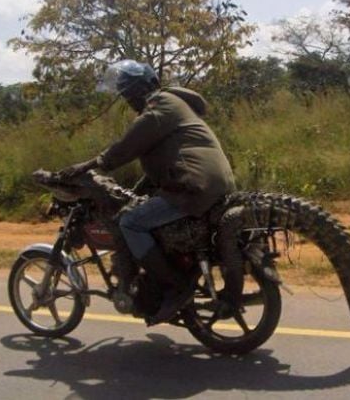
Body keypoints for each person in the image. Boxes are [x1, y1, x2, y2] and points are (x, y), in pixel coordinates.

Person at [59, 59, 235, 324]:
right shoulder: (175, 105)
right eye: (126, 93)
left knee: (131, 223)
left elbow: (129, 145)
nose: (130, 98)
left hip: (192, 187)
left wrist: (90, 165)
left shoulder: (160, 105)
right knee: (143, 213)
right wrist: (135, 190)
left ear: (150, 85)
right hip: (209, 183)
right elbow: (159, 163)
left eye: (132, 91)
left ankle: (175, 285)